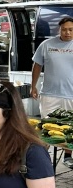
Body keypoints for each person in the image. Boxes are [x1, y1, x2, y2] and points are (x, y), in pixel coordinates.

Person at [31, 16, 73, 169]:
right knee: (47, 128)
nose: (67, 33)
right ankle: (41, 160)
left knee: (69, 128)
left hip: (71, 95)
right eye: (64, 29)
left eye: (70, 30)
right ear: (59, 29)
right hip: (50, 95)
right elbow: (37, 66)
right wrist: (33, 86)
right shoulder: (47, 45)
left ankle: (68, 156)